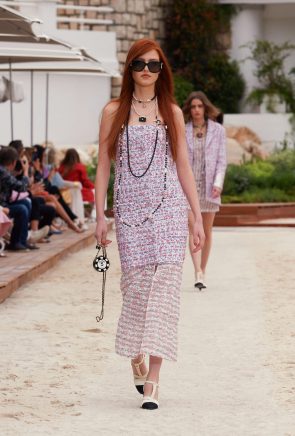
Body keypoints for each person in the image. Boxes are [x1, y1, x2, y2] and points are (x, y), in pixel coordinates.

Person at [94, 39, 205, 410]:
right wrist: (100, 216)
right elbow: (104, 167)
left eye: (154, 65)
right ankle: (136, 355)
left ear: (162, 71)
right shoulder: (113, 111)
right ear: (129, 69)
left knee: (165, 292)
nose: (146, 70)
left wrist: (196, 217)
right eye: (139, 64)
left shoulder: (172, 112)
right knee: (137, 291)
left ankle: (154, 377)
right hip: (128, 213)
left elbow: (184, 167)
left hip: (169, 210)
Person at [183, 91, 227, 290]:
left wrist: (218, 183)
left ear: (205, 107)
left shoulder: (218, 131)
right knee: (194, 231)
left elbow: (221, 161)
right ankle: (197, 272)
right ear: (189, 110)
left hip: (210, 188)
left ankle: (203, 269)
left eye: (200, 106)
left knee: (207, 232)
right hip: (190, 188)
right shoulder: (183, 130)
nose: (196, 110)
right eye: (193, 107)